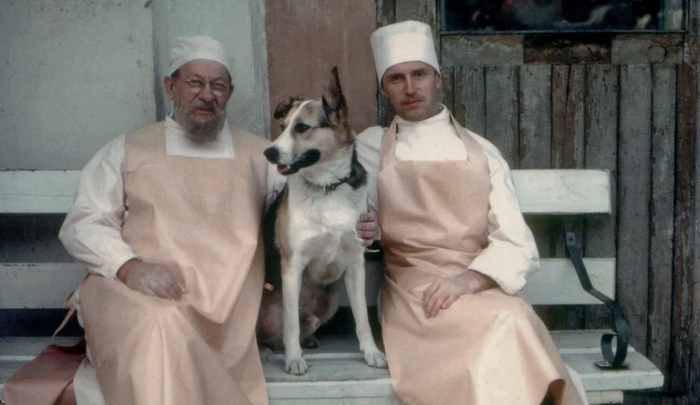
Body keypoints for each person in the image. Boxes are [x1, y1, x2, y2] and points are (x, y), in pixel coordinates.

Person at [58, 35, 375, 405]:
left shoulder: (262, 157)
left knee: (173, 335)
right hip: (138, 293)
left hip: (228, 311)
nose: (207, 95)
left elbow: (323, 198)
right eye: (195, 82)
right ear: (170, 86)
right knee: (160, 326)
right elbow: (84, 223)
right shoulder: (127, 150)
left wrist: (363, 226)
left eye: (218, 86)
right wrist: (129, 267)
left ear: (229, 94)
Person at [354, 21, 589, 405]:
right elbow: (354, 220)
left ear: (437, 78)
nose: (410, 88)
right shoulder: (370, 147)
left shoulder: (482, 152)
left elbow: (516, 240)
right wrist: (364, 231)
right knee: (507, 327)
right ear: (384, 88)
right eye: (396, 78)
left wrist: (468, 280)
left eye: (419, 74)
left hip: (479, 285)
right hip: (416, 296)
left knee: (511, 319)